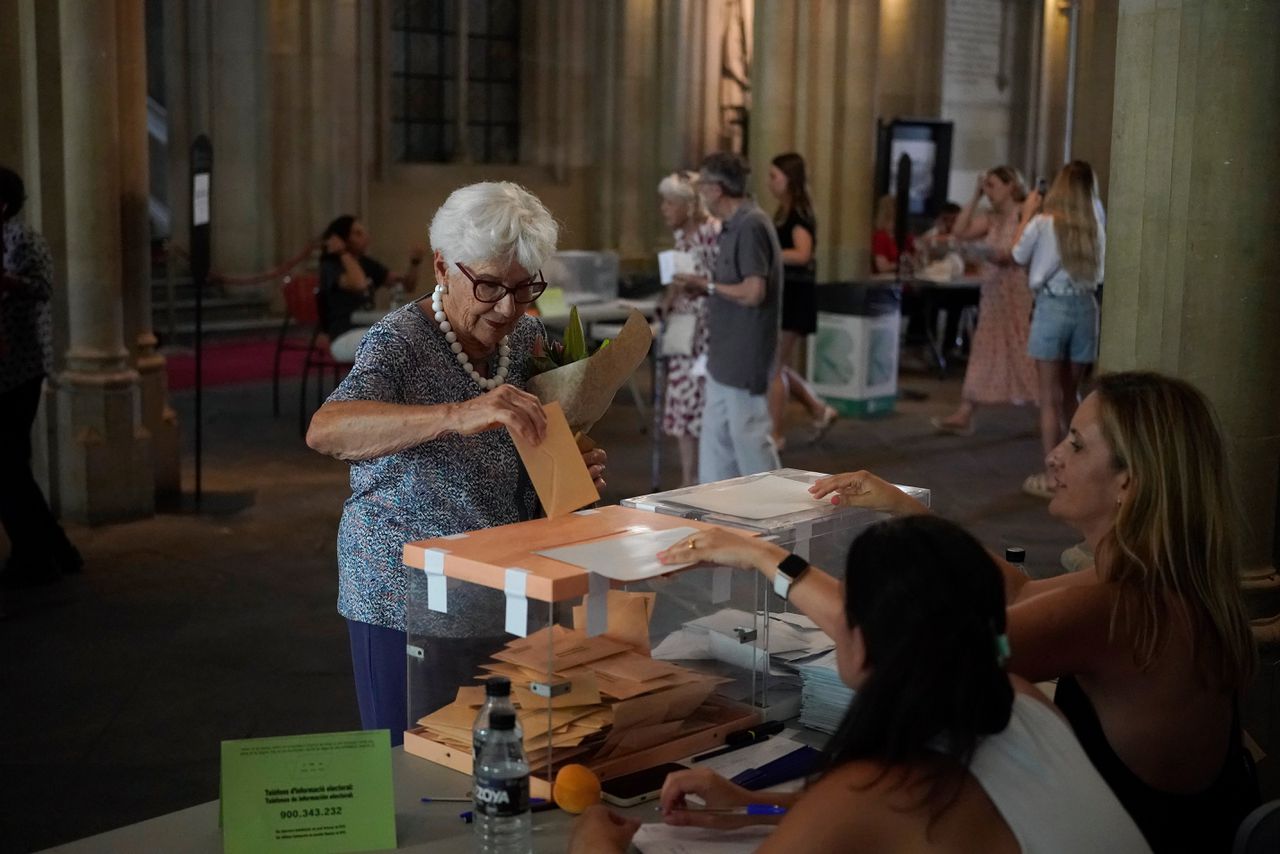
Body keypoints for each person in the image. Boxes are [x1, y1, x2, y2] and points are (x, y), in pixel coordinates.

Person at [668, 371, 1257, 852]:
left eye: (1076, 444)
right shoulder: (1155, 580)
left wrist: (762, 556)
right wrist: (898, 506)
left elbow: (909, 646)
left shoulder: (1121, 604)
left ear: (1129, 483)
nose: (1053, 456)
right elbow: (1019, 595)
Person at [572, 515, 1150, 853]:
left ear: (864, 639)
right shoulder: (1025, 703)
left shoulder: (869, 792)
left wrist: (593, 843)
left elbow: (861, 819)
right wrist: (758, 807)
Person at [306, 183, 608, 744]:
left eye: (524, 289)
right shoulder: (399, 341)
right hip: (404, 595)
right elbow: (326, 430)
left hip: (502, 578)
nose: (506, 308)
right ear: (443, 266)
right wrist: (455, 414)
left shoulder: (526, 335)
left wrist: (564, 470)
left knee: (505, 756)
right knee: (413, 764)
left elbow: (527, 444)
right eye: (490, 285)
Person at [673, 152, 783, 483]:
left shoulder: (751, 225)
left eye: (703, 184)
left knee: (751, 445)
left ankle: (776, 520)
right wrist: (707, 289)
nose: (700, 192)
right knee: (717, 450)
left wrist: (705, 284)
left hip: (744, 356)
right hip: (723, 358)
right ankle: (720, 517)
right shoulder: (733, 226)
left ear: (717, 189)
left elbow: (753, 292)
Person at [0, 165, 82, 588]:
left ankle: (42, 554)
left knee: (9, 467)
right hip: (5, 370)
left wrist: (6, 281)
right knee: (12, 468)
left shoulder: (22, 238)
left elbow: (42, 287)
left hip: (20, 370)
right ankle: (52, 550)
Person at [1010, 161, 1105, 499]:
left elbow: (1017, 254)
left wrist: (1026, 213)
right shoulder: (1096, 223)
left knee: (1048, 399)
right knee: (1073, 396)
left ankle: (1053, 476)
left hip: (1051, 308)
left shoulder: (1043, 222)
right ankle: (1082, 472)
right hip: (1086, 308)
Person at [932, 167, 1038, 437]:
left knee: (1024, 351)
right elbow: (959, 232)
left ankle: (1047, 408)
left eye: (992, 186)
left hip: (1017, 292)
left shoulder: (1025, 213)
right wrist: (975, 195)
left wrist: (986, 252)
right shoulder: (990, 218)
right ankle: (965, 412)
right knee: (983, 349)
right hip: (993, 292)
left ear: (1010, 185)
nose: (988, 192)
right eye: (986, 187)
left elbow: (1011, 254)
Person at [765, 152, 837, 452]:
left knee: (774, 367)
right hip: (787, 294)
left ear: (789, 179)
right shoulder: (785, 210)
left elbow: (804, 253)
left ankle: (776, 436)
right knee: (777, 363)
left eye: (774, 176)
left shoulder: (798, 214)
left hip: (795, 296)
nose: (770, 182)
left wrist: (770, 256)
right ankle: (819, 409)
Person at [656, 171, 720, 487]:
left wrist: (700, 286)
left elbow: (720, 281)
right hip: (684, 326)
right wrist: (665, 304)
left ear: (688, 204)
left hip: (707, 328)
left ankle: (705, 477)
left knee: (701, 401)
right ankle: (687, 477)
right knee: (681, 399)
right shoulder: (682, 238)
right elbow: (676, 284)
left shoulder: (713, 232)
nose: (664, 209)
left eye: (669, 202)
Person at [319, 215, 426, 363]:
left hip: (367, 327)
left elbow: (406, 286)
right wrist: (342, 253)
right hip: (343, 335)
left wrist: (415, 263)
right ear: (343, 238)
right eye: (357, 234)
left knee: (415, 336)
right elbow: (359, 284)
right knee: (396, 343)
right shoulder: (332, 266)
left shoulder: (367, 263)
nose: (366, 237)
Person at [870, 193, 915, 275]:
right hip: (883, 282)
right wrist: (902, 265)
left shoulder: (906, 236)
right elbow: (882, 268)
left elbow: (916, 260)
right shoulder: (880, 237)